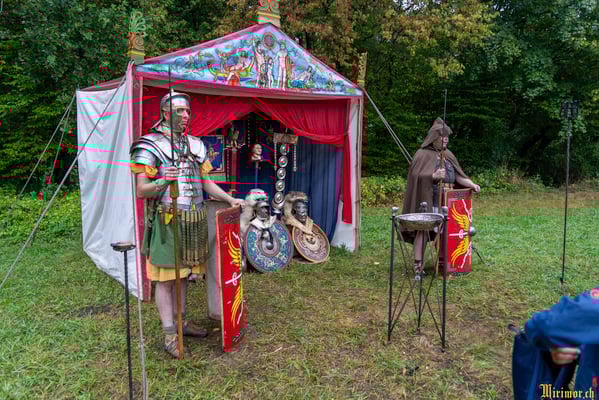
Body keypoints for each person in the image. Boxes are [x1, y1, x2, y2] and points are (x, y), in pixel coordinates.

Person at [130, 91, 244, 358]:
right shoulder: (149, 145)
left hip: (194, 220)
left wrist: (229, 199)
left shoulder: (195, 145)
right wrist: (162, 181)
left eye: (188, 112)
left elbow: (206, 183)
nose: (186, 116)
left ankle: (181, 322)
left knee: (183, 276)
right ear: (165, 113)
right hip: (168, 220)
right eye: (180, 111)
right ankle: (170, 333)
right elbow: (141, 190)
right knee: (166, 279)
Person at [401, 118, 480, 274]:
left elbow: (458, 176)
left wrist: (471, 184)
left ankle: (446, 261)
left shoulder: (448, 154)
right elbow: (416, 177)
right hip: (430, 200)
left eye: (447, 136)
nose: (446, 139)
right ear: (434, 138)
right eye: (442, 136)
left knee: (448, 231)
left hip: (449, 201)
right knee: (423, 230)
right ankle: (418, 264)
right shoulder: (422, 154)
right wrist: (433, 176)